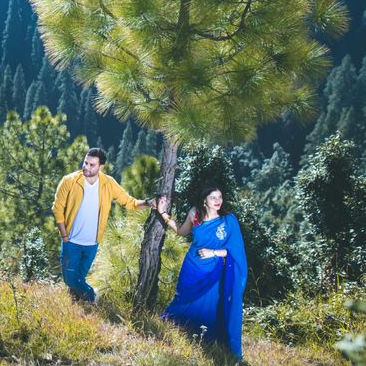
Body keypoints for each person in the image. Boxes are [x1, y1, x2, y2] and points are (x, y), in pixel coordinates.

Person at [52, 147, 153, 303]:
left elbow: (129, 202)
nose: (86, 167)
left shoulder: (108, 183)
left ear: (101, 167)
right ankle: (93, 296)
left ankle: (76, 309)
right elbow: (57, 208)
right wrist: (64, 235)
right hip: (71, 241)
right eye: (85, 163)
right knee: (69, 279)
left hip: (92, 243)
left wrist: (147, 203)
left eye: (92, 165)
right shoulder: (70, 181)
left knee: (79, 279)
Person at [157, 187, 247, 360]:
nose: (217, 201)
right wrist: (163, 213)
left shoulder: (228, 221)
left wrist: (212, 252)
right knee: (182, 299)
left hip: (213, 271)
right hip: (191, 266)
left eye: (219, 197)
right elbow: (181, 231)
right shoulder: (194, 214)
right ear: (204, 200)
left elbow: (235, 252)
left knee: (210, 305)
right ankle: (176, 328)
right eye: (213, 197)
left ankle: (205, 337)